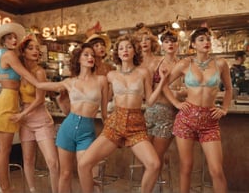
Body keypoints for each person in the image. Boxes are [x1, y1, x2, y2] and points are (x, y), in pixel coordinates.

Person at [78, 34, 168, 193]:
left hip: (136, 123)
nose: (125, 50)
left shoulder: (143, 72)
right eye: (121, 48)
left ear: (134, 51)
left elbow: (150, 101)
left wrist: (162, 82)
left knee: (154, 164)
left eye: (128, 47)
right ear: (117, 53)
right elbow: (103, 100)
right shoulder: (111, 75)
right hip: (116, 122)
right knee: (84, 164)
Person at [163, 27, 232, 193]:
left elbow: (229, 89)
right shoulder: (185, 63)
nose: (206, 42)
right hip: (186, 119)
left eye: (208, 39)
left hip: (210, 120)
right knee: (186, 168)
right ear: (193, 44)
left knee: (216, 170)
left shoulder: (220, 63)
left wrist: (224, 108)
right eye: (201, 39)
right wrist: (176, 103)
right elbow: (164, 84)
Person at [36, 43, 108, 193]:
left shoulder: (101, 80)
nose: (90, 58)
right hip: (67, 128)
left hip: (87, 131)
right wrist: (23, 73)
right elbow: (41, 85)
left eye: (92, 55)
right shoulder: (69, 82)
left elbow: (105, 114)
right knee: (65, 173)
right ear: (78, 59)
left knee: (85, 170)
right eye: (86, 55)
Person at [0, 22, 40, 193]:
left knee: (5, 148)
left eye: (14, 37)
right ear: (3, 41)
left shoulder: (10, 54)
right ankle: (5, 187)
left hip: (8, 101)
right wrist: (47, 85)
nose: (13, 40)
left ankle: (3, 184)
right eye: (9, 38)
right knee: (4, 149)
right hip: (6, 103)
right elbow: (25, 74)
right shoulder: (10, 55)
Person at [9, 36, 59, 193]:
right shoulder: (19, 73)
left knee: (52, 161)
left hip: (40, 118)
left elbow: (39, 99)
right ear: (23, 52)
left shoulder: (40, 72)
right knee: (28, 160)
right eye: (31, 48)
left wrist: (22, 114)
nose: (36, 51)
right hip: (24, 120)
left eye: (37, 48)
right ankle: (32, 190)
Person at [143, 30, 184, 171]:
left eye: (173, 41)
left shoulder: (183, 65)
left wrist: (179, 93)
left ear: (178, 44)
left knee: (156, 158)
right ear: (162, 45)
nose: (170, 44)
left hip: (168, 114)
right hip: (150, 112)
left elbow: (190, 89)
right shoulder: (154, 63)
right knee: (146, 158)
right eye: (166, 41)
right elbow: (146, 89)